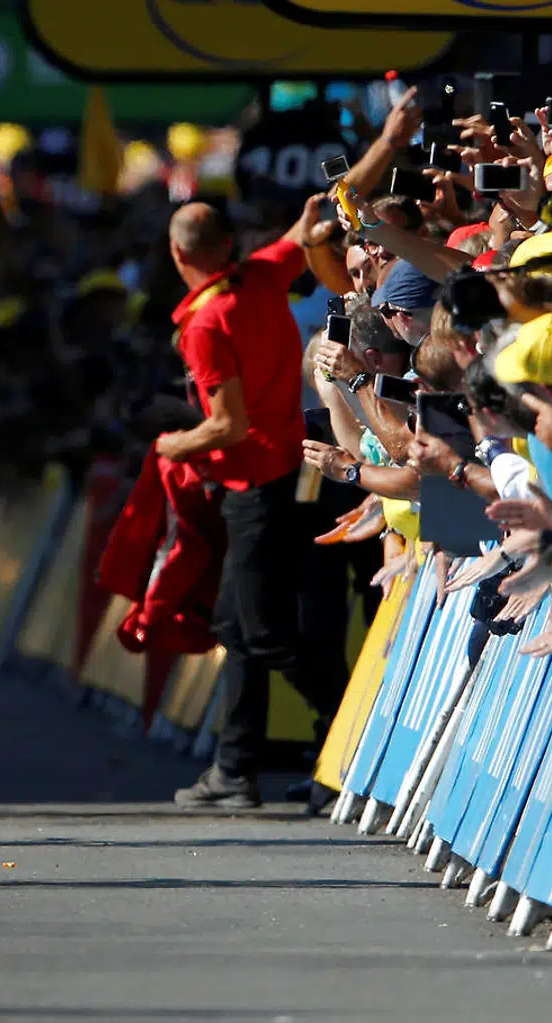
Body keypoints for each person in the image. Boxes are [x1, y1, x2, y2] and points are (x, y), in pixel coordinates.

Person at [158, 196, 340, 810]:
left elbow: (227, 426)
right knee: (237, 626)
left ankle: (350, 732)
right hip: (279, 475)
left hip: (258, 485)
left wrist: (172, 443)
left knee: (261, 632)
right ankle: (234, 768)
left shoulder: (205, 324)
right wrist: (389, 144)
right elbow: (299, 234)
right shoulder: (260, 274)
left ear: (178, 253)